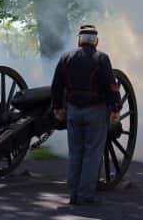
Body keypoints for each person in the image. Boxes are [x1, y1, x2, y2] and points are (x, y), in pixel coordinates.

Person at [51, 25, 121, 205]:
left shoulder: (66, 57)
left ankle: (73, 194)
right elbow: (111, 86)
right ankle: (86, 195)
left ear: (79, 40)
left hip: (73, 110)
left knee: (75, 153)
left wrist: (58, 107)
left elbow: (56, 86)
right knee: (92, 154)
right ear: (95, 41)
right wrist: (116, 108)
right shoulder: (101, 58)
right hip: (96, 110)